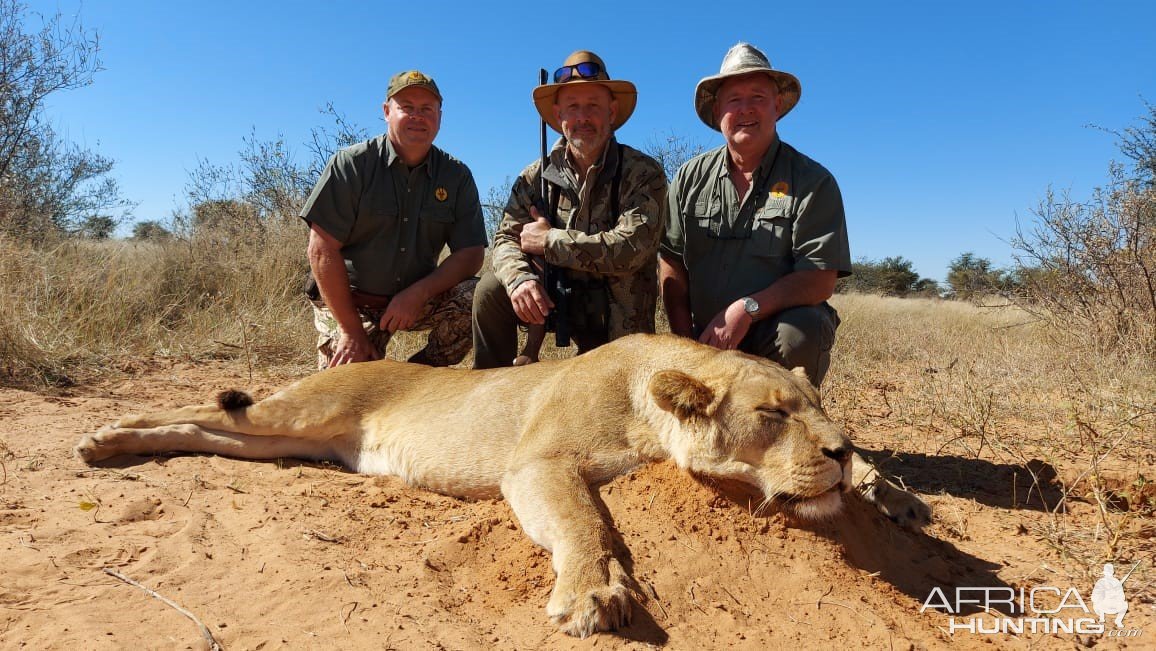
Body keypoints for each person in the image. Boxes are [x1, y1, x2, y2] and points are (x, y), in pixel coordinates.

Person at [659, 42, 851, 387]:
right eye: (734, 100)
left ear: (777, 105)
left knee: (801, 332)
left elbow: (820, 280)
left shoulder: (812, 181)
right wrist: (685, 343)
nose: (746, 109)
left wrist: (746, 309)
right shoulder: (688, 177)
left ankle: (786, 419)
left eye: (758, 98)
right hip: (708, 338)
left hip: (771, 334)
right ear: (717, 110)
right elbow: (671, 262)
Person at [472, 51, 667, 368]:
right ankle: (490, 381)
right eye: (573, 107)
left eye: (593, 106)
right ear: (559, 115)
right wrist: (521, 280)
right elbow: (505, 239)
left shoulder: (644, 173)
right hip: (555, 302)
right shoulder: (534, 176)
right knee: (492, 288)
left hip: (616, 316)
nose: (582, 117)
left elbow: (631, 248)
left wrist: (550, 241)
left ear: (612, 112)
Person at [301, 70, 486, 369]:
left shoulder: (456, 175)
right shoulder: (351, 164)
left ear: (440, 116)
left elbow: (471, 253)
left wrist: (418, 293)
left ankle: (418, 377)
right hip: (351, 303)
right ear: (387, 112)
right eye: (407, 107)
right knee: (347, 390)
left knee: (484, 295)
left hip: (414, 300)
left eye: (427, 109)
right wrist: (350, 330)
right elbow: (321, 251)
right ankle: (358, 350)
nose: (418, 116)